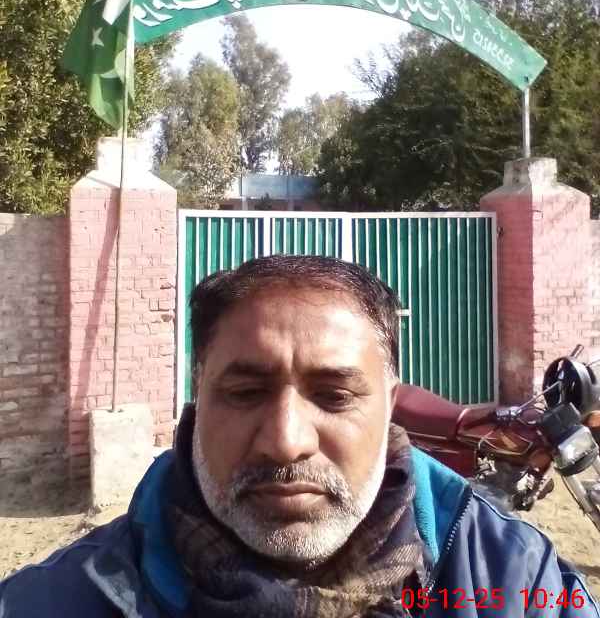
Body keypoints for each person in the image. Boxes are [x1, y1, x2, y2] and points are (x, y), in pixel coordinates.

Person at [1, 254, 598, 617]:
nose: (286, 442)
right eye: (245, 392)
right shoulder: (52, 602)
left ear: (390, 405)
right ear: (198, 397)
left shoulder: (515, 583)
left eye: (334, 396)